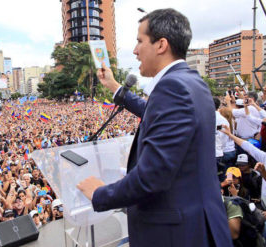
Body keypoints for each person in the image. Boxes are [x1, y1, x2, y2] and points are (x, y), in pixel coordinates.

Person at [77, 8, 232, 247]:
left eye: (140, 41)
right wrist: (114, 86)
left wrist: (100, 193)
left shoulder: (172, 88)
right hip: (196, 222)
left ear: (161, 45)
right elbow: (156, 115)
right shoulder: (190, 81)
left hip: (177, 234)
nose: (135, 50)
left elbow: (152, 176)